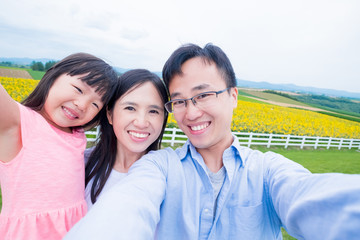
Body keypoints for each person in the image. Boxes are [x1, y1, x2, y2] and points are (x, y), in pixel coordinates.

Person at [65, 44, 360, 240]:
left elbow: (307, 197)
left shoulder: (267, 172)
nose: (192, 113)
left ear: (233, 96)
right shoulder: (158, 167)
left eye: (203, 95)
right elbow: (128, 207)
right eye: (179, 101)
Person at [0, 53, 118, 240]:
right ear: (53, 76)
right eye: (79, 89)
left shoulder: (77, 135)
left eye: (95, 104)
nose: (82, 105)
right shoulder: (19, 123)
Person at [84, 69, 168, 209]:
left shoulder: (169, 177)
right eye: (130, 108)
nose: (141, 123)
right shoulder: (82, 165)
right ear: (110, 115)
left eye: (153, 111)